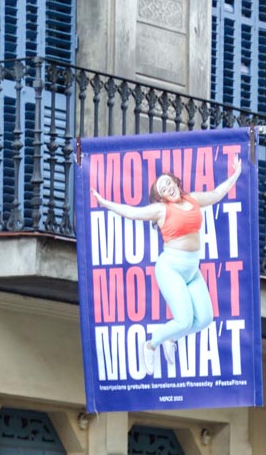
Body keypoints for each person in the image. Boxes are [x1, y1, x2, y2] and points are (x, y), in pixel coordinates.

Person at [91, 154, 242, 374]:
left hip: (192, 269)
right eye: (163, 189)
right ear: (162, 196)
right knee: (184, 321)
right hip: (171, 268)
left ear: (176, 182)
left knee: (205, 319)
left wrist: (236, 174)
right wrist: (105, 203)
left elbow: (217, 194)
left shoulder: (192, 199)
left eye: (169, 183)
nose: (168, 188)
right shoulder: (161, 210)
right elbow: (132, 213)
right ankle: (151, 345)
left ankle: (172, 339)